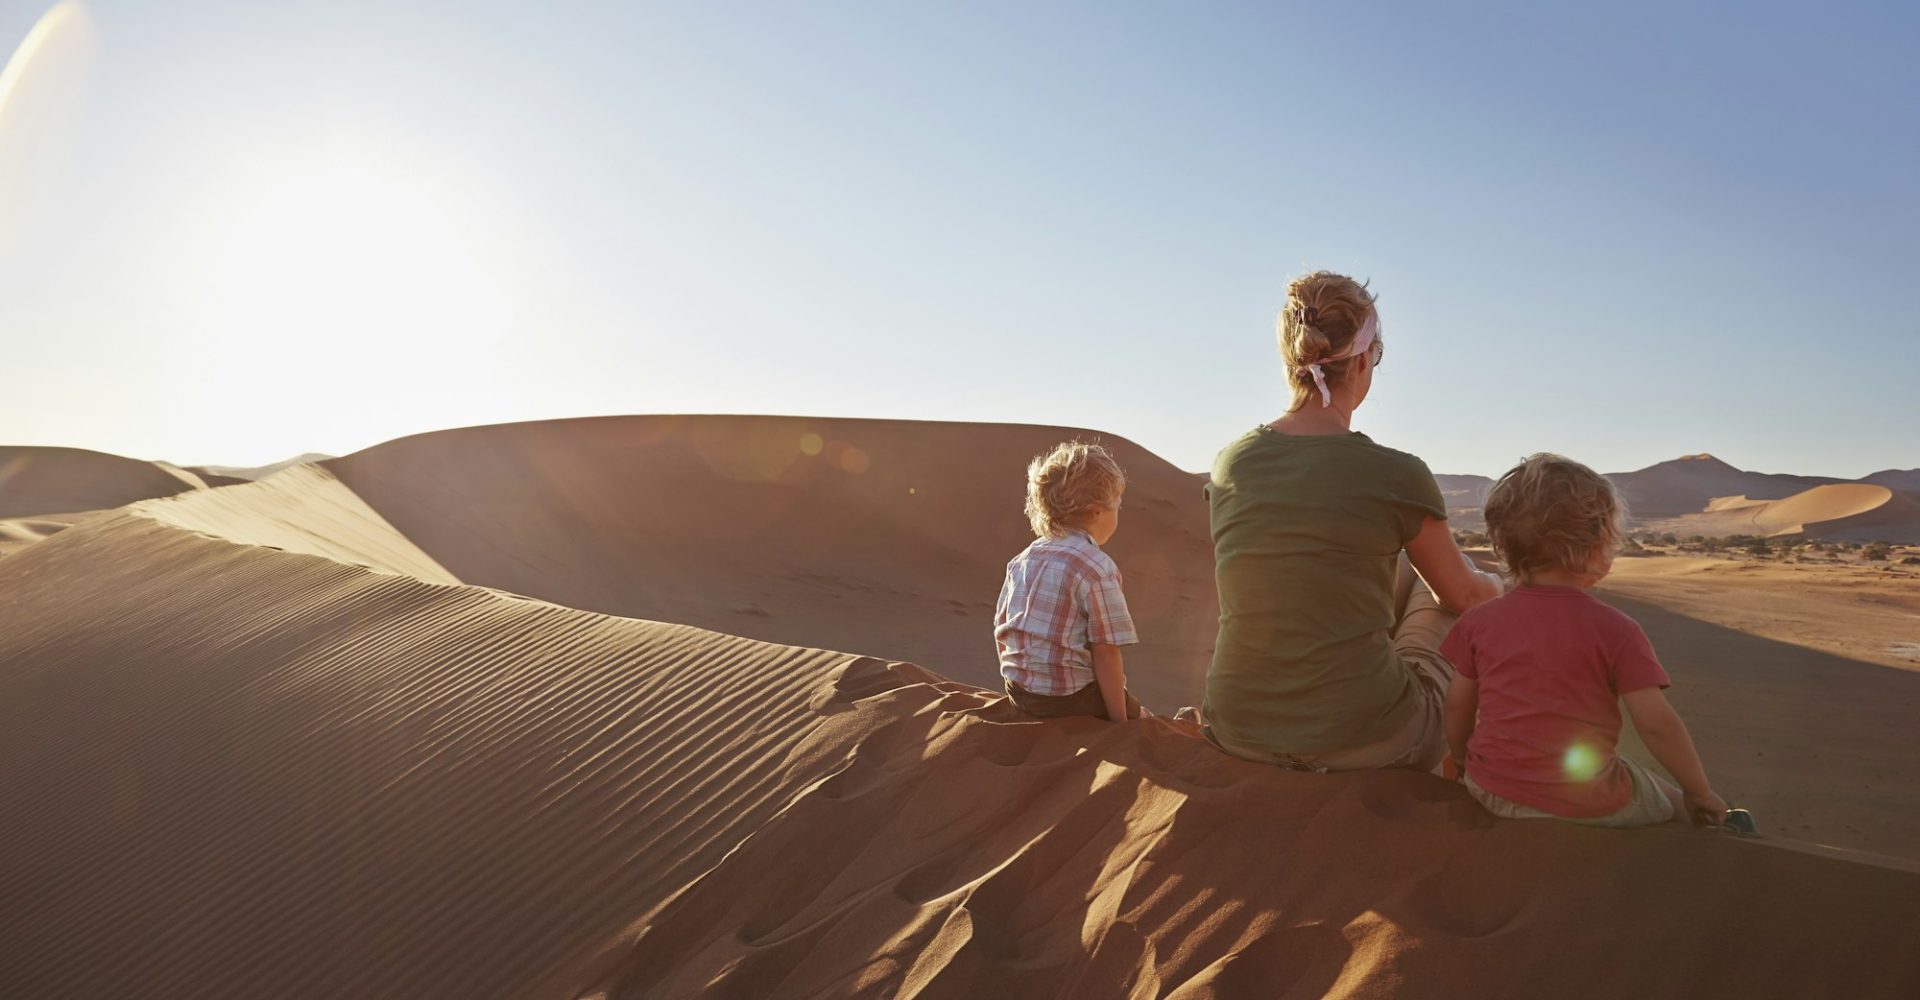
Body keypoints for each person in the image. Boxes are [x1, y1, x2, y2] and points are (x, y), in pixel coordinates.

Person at [1201, 270, 1501, 772]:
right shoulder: (1396, 474)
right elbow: (1463, 599)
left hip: (1237, 729)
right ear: (1363, 360)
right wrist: (1496, 585)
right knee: (1450, 587)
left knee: (1395, 576)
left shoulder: (1231, 462)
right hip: (1365, 737)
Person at [1442, 453, 1730, 827]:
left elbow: (1457, 706)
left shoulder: (1478, 621)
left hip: (1489, 789)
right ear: (1598, 546)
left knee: (1627, 770)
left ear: (1503, 542)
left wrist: (1464, 762)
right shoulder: (1618, 630)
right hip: (1586, 804)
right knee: (1671, 803)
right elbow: (1657, 724)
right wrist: (1699, 792)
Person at [994, 441, 1143, 722]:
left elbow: (1001, 630)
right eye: (1118, 507)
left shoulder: (1021, 560)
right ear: (1097, 510)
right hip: (1069, 700)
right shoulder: (1096, 567)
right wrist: (1121, 723)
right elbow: (1106, 652)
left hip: (1020, 692)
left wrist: (1023, 686)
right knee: (1141, 716)